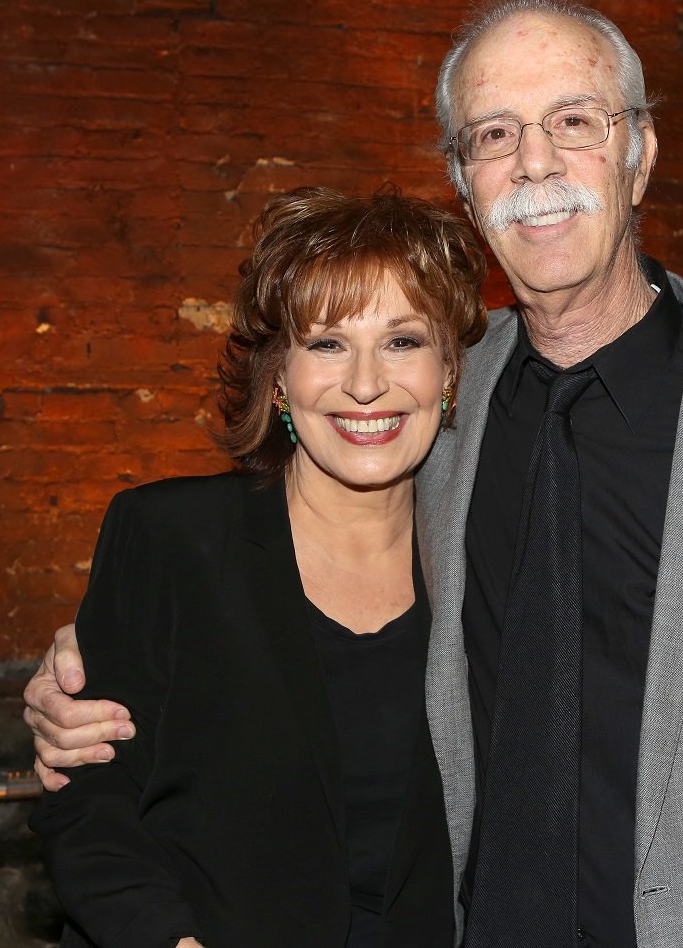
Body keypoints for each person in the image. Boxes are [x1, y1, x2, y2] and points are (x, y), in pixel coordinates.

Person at [19, 0, 683, 947]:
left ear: (641, 155)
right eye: (494, 135)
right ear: (467, 187)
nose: (535, 162)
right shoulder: (435, 400)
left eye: (574, 122)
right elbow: (259, 605)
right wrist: (73, 683)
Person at [28, 186, 489, 947]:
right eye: (328, 343)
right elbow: (89, 798)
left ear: (448, 375)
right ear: (279, 378)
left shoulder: (488, 566)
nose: (366, 383)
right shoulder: (172, 536)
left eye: (403, 341)